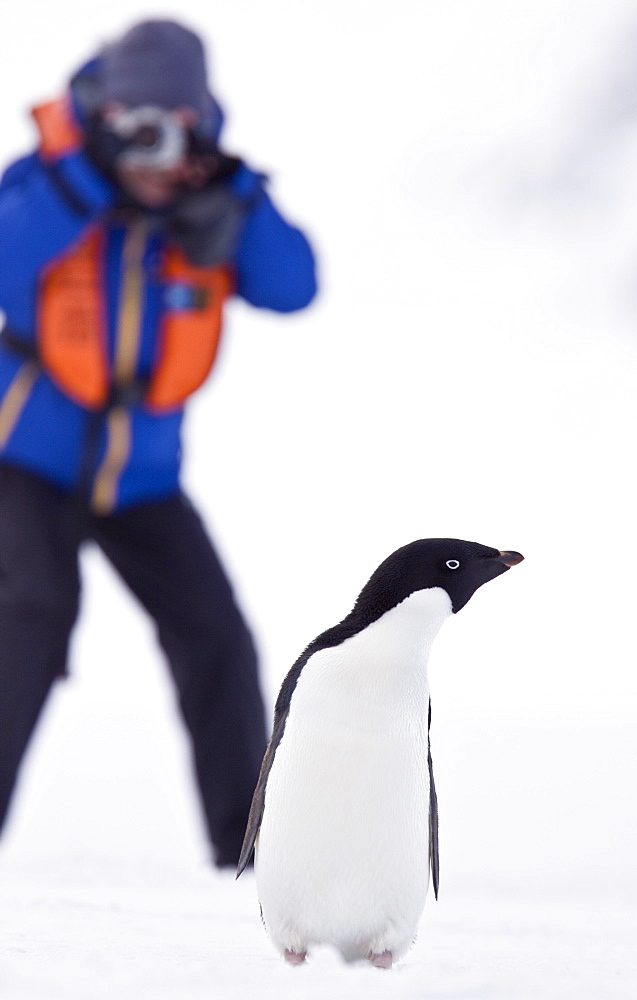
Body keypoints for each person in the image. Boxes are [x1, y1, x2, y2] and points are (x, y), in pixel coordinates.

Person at [0, 19, 317, 868]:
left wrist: (237, 199)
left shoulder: (208, 194)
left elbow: (295, 287)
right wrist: (88, 181)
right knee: (29, 615)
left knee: (215, 633)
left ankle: (249, 855)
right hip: (24, 462)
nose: (155, 153)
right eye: (136, 129)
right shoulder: (48, 181)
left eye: (172, 129)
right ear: (104, 115)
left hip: (142, 478)